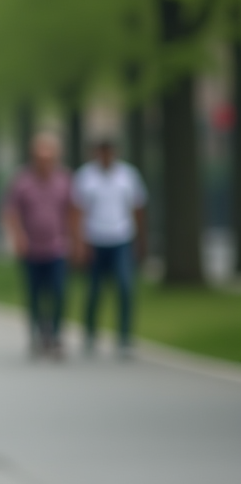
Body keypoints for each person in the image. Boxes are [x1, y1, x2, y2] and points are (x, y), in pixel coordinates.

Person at [2, 132, 78, 358]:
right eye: (40, 157)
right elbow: (10, 211)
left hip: (57, 247)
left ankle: (54, 335)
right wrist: (18, 236)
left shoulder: (65, 180)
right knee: (34, 294)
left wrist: (76, 240)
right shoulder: (22, 181)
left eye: (48, 157)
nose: (44, 162)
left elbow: (73, 211)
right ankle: (37, 334)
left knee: (59, 292)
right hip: (31, 249)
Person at [72, 138, 147, 356]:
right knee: (94, 290)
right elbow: (77, 211)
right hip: (94, 239)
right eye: (101, 152)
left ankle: (124, 336)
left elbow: (138, 208)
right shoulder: (85, 176)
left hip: (121, 238)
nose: (105, 156)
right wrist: (78, 242)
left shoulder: (128, 175)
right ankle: (90, 333)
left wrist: (141, 239)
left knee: (125, 287)